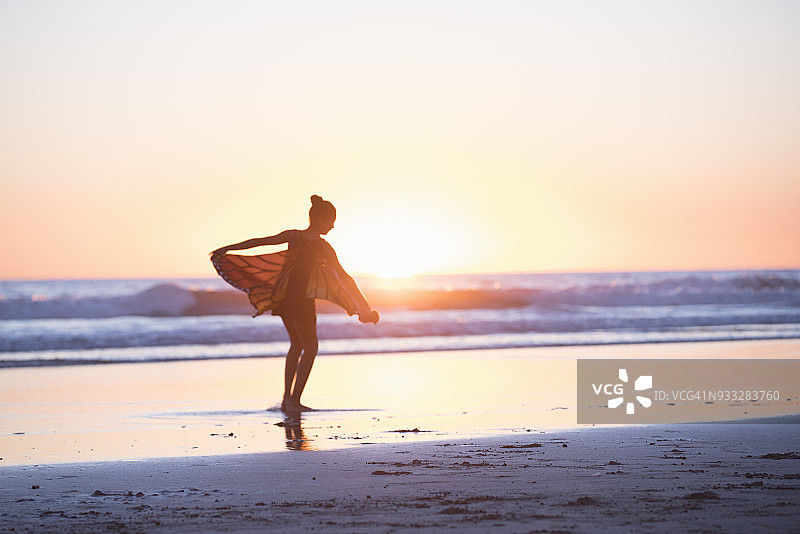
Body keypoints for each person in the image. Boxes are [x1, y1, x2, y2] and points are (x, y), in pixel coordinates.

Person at [210, 195, 379, 413]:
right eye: (331, 221)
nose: (333, 226)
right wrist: (364, 307)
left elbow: (258, 241)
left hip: (285, 299)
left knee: (297, 345)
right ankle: (294, 401)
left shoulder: (294, 236)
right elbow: (345, 277)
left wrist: (226, 248)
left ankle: (287, 400)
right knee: (311, 348)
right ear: (319, 219)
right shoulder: (322, 246)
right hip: (301, 301)